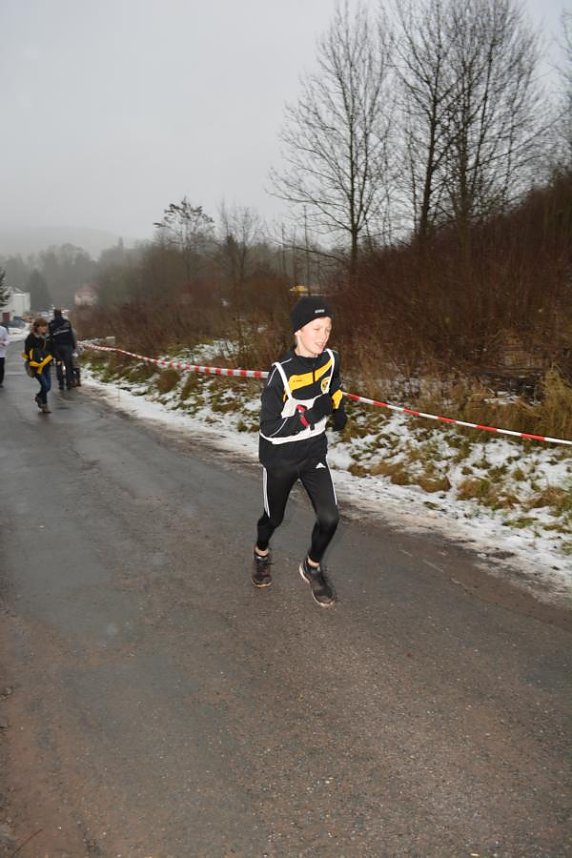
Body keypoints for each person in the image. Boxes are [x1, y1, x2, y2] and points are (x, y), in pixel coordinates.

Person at [252, 295, 348, 608]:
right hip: (280, 458)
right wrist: (308, 416)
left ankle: (312, 567)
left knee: (330, 518)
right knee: (273, 518)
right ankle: (261, 552)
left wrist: (338, 408)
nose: (323, 336)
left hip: (312, 455)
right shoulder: (280, 373)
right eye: (316, 329)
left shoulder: (331, 359)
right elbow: (269, 427)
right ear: (298, 332)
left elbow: (334, 387)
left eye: (328, 329)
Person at [24, 317, 54, 413]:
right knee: (45, 385)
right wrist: (32, 361)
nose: (45, 328)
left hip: (46, 365)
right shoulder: (31, 338)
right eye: (43, 326)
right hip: (36, 366)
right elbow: (27, 351)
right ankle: (44, 405)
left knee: (48, 386)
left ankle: (39, 397)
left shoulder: (48, 337)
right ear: (37, 327)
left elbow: (52, 349)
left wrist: (54, 357)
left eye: (46, 326)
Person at [48, 308, 76, 390]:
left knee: (59, 365)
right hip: (67, 346)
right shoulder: (67, 323)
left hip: (57, 348)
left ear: (54, 314)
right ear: (61, 314)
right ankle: (69, 383)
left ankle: (61, 384)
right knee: (68, 365)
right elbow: (71, 335)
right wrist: (73, 346)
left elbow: (50, 338)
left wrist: (51, 350)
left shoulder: (51, 324)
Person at [0, 323, 10, 388]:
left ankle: (0, 382)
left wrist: (4, 343)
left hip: (1, 353)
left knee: (1, 368)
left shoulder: (3, 329)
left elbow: (7, 340)